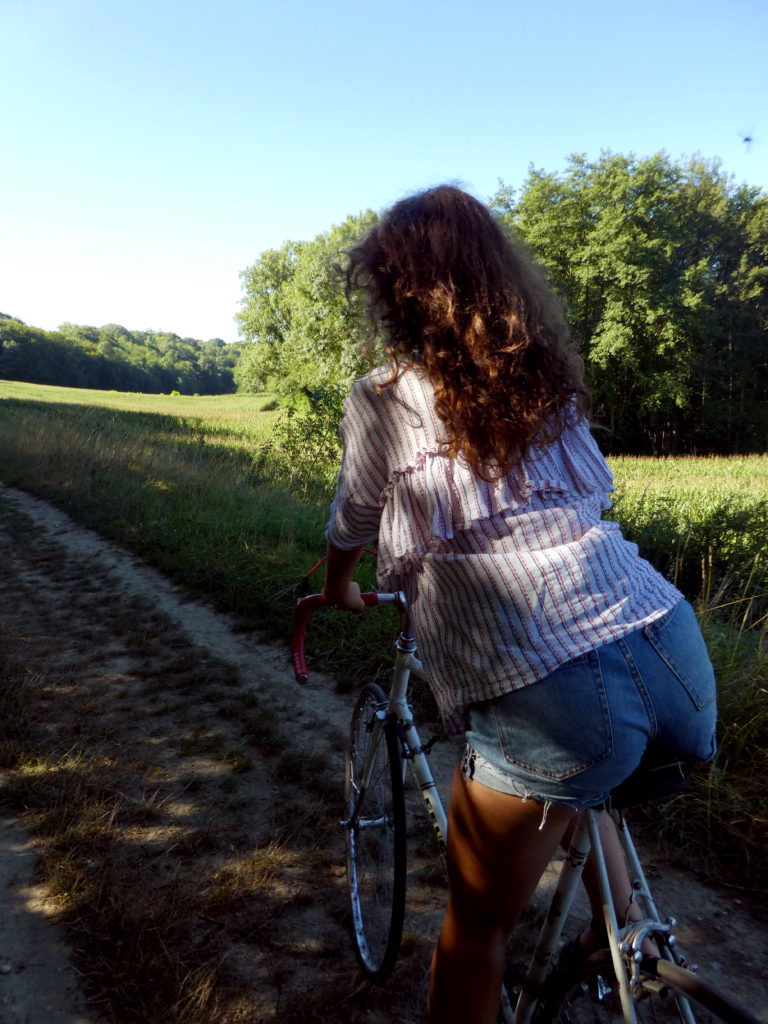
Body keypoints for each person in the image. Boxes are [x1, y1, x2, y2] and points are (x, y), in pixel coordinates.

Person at [322, 185, 717, 1024]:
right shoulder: (543, 375)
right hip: (673, 651)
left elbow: (356, 516)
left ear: (395, 287)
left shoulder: (385, 395)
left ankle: (588, 951)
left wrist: (333, 587)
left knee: (474, 928)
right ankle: (619, 937)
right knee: (588, 775)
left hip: (556, 692)